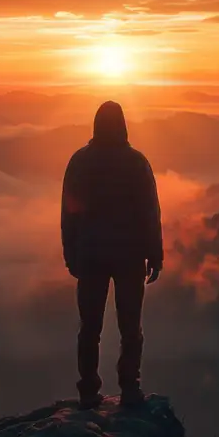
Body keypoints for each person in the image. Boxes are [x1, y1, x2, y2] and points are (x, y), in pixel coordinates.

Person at [61, 101, 163, 410]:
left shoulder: (79, 162)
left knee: (89, 326)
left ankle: (88, 391)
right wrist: (155, 254)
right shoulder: (136, 162)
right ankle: (130, 386)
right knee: (130, 326)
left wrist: (71, 253)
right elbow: (149, 212)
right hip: (130, 255)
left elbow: (70, 214)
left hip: (90, 253)